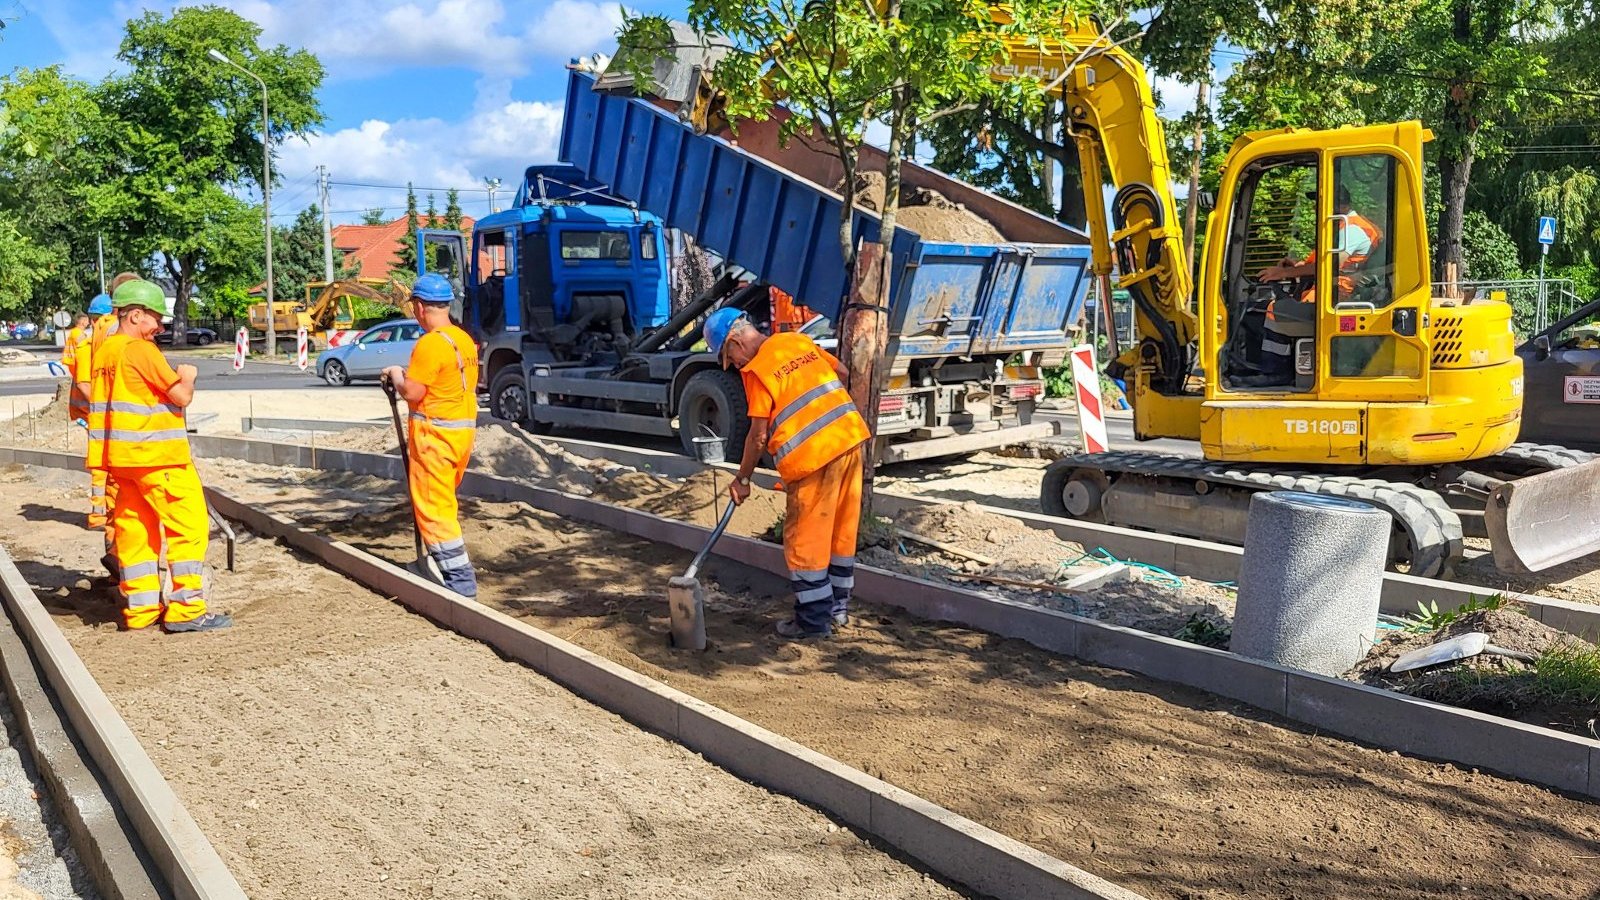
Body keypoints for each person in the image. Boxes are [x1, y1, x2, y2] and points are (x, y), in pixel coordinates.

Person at [708, 307, 871, 639]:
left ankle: (812, 623)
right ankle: (837, 610)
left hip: (812, 458)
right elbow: (839, 371)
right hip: (850, 440)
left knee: (805, 541)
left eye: (730, 357)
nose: (735, 365)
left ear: (736, 341)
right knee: (841, 532)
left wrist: (742, 479)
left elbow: (758, 436)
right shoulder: (795, 341)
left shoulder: (755, 371)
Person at [87, 279, 231, 633]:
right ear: (135, 315)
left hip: (122, 461)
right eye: (154, 318)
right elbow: (180, 395)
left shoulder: (104, 351)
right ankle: (186, 610)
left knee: (136, 531)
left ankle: (141, 608)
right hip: (157, 457)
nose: (159, 327)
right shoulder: (140, 350)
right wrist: (189, 375)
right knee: (189, 527)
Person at [381, 273, 480, 598]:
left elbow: (412, 392)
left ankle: (459, 583)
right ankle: (433, 565)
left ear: (421, 307)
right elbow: (441, 384)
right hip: (459, 436)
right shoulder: (462, 340)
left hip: (433, 439)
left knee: (434, 509)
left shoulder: (430, 344)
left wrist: (397, 375)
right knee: (445, 504)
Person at [1255, 187, 1383, 382]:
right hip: (1330, 291)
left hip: (1337, 296)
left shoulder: (1352, 230)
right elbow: (1321, 263)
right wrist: (1296, 267)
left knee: (1275, 311)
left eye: (1320, 203)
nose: (1316, 208)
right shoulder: (1343, 228)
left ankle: (1274, 375)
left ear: (1340, 205)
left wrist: (1284, 273)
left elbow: (1329, 267)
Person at [72, 294, 115, 546]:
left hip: (94, 413)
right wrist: (103, 408)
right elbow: (84, 383)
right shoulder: (88, 344)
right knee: (101, 466)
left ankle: (102, 513)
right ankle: (99, 515)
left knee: (104, 466)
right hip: (94, 415)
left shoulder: (96, 341)